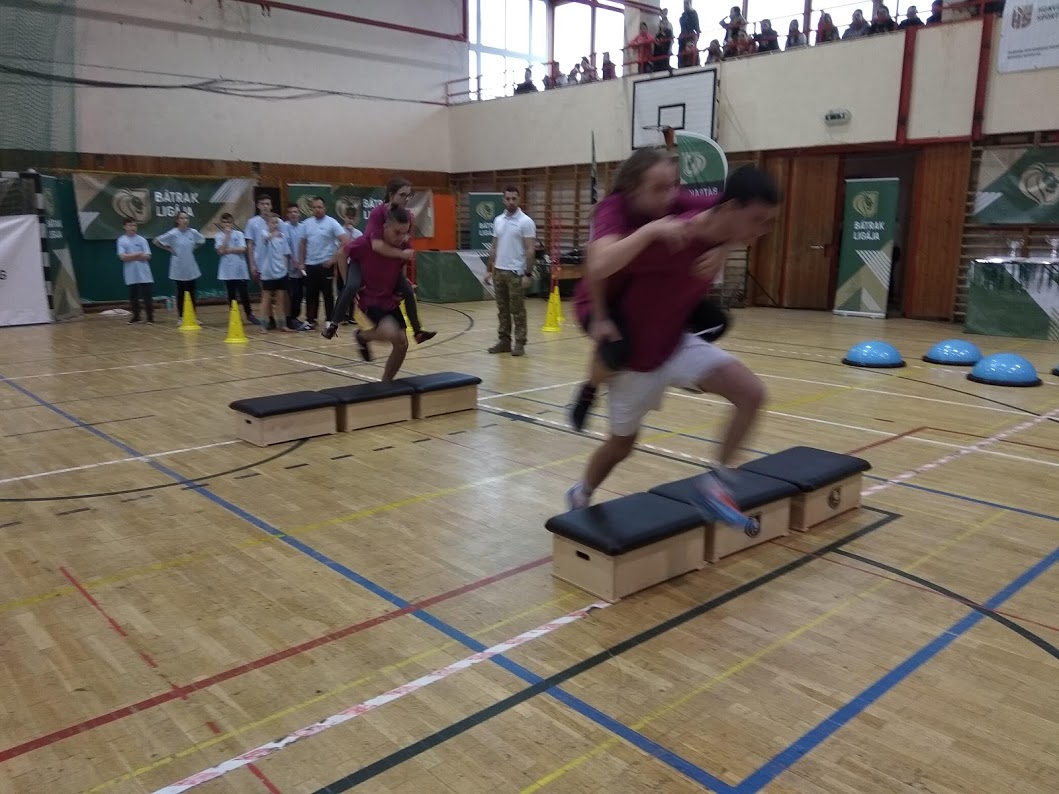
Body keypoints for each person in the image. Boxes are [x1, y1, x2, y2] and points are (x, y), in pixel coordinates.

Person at [565, 153, 780, 532]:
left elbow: (718, 216)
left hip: (676, 343)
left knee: (751, 393)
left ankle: (717, 485)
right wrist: (599, 315)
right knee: (621, 446)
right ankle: (581, 492)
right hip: (636, 359)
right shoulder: (663, 237)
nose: (763, 231)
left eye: (769, 222)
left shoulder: (708, 213)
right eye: (758, 220)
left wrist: (725, 246)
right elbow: (598, 268)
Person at [324, 176, 435, 343]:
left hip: (385, 264)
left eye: (408, 195)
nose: (406, 199)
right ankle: (333, 325)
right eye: (402, 195)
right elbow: (376, 246)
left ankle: (417, 331)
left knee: (407, 290)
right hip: (363, 258)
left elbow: (404, 249)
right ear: (391, 195)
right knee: (352, 286)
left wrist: (402, 275)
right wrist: (347, 281)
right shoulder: (378, 213)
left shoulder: (407, 216)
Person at [347, 207, 414, 382]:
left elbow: (400, 268)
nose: (401, 237)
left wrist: (401, 287)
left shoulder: (403, 246)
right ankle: (361, 336)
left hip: (389, 300)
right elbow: (341, 254)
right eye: (397, 232)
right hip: (370, 298)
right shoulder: (365, 243)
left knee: (402, 343)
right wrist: (349, 286)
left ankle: (386, 382)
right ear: (385, 226)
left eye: (405, 233)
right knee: (390, 333)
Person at [485, 185, 536, 356]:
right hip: (499, 271)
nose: (511, 202)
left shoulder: (526, 222)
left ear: (519, 199)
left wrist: (527, 274)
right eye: (508, 199)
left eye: (514, 198)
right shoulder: (498, 220)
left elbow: (530, 249)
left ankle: (520, 342)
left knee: (518, 310)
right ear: (503, 200)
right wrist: (489, 269)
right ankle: (504, 341)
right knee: (502, 309)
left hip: (516, 273)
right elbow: (494, 246)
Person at [299, 196, 349, 329]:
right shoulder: (306, 224)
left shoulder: (332, 223)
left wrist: (333, 259)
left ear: (324, 208)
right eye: (314, 207)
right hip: (310, 265)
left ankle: (329, 320)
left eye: (320, 207)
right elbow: (302, 243)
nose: (317, 209)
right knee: (311, 294)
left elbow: (345, 241)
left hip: (326, 265)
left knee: (327, 294)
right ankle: (311, 320)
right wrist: (301, 263)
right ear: (311, 209)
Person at [153, 211, 205, 323]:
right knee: (181, 293)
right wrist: (168, 249)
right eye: (182, 218)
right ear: (177, 220)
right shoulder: (172, 233)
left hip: (190, 266)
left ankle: (193, 316)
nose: (185, 220)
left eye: (186, 218)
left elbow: (202, 240)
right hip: (178, 267)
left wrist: (194, 247)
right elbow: (156, 241)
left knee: (192, 293)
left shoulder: (193, 232)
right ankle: (181, 317)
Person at [215, 213, 257, 325]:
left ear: (232, 223)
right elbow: (220, 251)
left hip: (240, 269)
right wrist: (226, 236)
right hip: (227, 271)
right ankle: (234, 315)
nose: (227, 224)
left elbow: (242, 249)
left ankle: (249, 314)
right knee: (231, 295)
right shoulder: (219, 236)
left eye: (229, 222)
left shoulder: (239, 234)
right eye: (224, 222)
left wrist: (227, 250)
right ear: (221, 223)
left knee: (244, 294)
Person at [257, 213, 292, 332]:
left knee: (280, 299)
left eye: (277, 222)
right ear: (267, 224)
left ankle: (282, 324)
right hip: (268, 273)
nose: (275, 225)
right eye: (272, 222)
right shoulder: (264, 234)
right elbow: (266, 238)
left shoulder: (282, 237)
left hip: (281, 272)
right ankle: (262, 325)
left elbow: (285, 253)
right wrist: (273, 235)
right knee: (266, 299)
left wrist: (285, 269)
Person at [117, 218, 154, 324]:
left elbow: (147, 255)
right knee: (133, 296)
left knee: (147, 296)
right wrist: (138, 254)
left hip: (144, 272)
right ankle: (136, 316)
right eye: (130, 225)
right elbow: (122, 257)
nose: (133, 227)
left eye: (134, 225)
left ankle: (150, 317)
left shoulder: (142, 240)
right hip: (130, 272)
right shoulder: (121, 240)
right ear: (124, 227)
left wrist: (131, 256)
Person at [283, 202, 310, 331]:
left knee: (300, 294)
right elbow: (286, 245)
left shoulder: (303, 227)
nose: (293, 214)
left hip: (302, 267)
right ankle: (289, 319)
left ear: (299, 214)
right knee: (291, 295)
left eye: (295, 212)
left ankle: (296, 317)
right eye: (290, 212)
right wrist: (293, 260)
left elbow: (305, 245)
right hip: (289, 267)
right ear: (287, 215)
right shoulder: (285, 227)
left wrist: (303, 262)